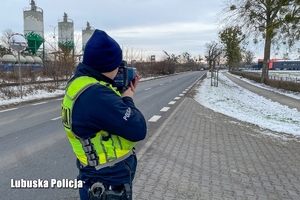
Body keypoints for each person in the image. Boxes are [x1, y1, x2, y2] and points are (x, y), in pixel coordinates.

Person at [61, 29, 147, 200]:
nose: (119, 70)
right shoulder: (95, 95)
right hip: (108, 183)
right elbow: (138, 129)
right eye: (117, 65)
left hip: (96, 175)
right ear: (108, 65)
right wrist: (128, 99)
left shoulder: (81, 83)